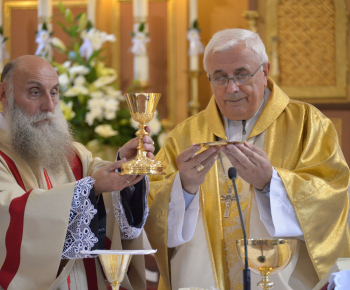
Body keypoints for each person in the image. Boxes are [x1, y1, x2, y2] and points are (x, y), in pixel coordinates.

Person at [145, 29, 350, 290]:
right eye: (219, 77)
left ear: (264, 72)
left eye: (241, 74)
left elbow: (333, 197)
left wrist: (270, 183)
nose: (231, 88)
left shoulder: (308, 124)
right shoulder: (185, 136)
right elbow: (152, 214)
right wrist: (184, 187)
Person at [0, 55, 155, 290]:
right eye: (35, 92)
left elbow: (98, 176)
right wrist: (90, 188)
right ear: (3, 94)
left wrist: (124, 165)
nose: (49, 105)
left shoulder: (70, 152)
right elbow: (9, 213)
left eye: (54, 92)